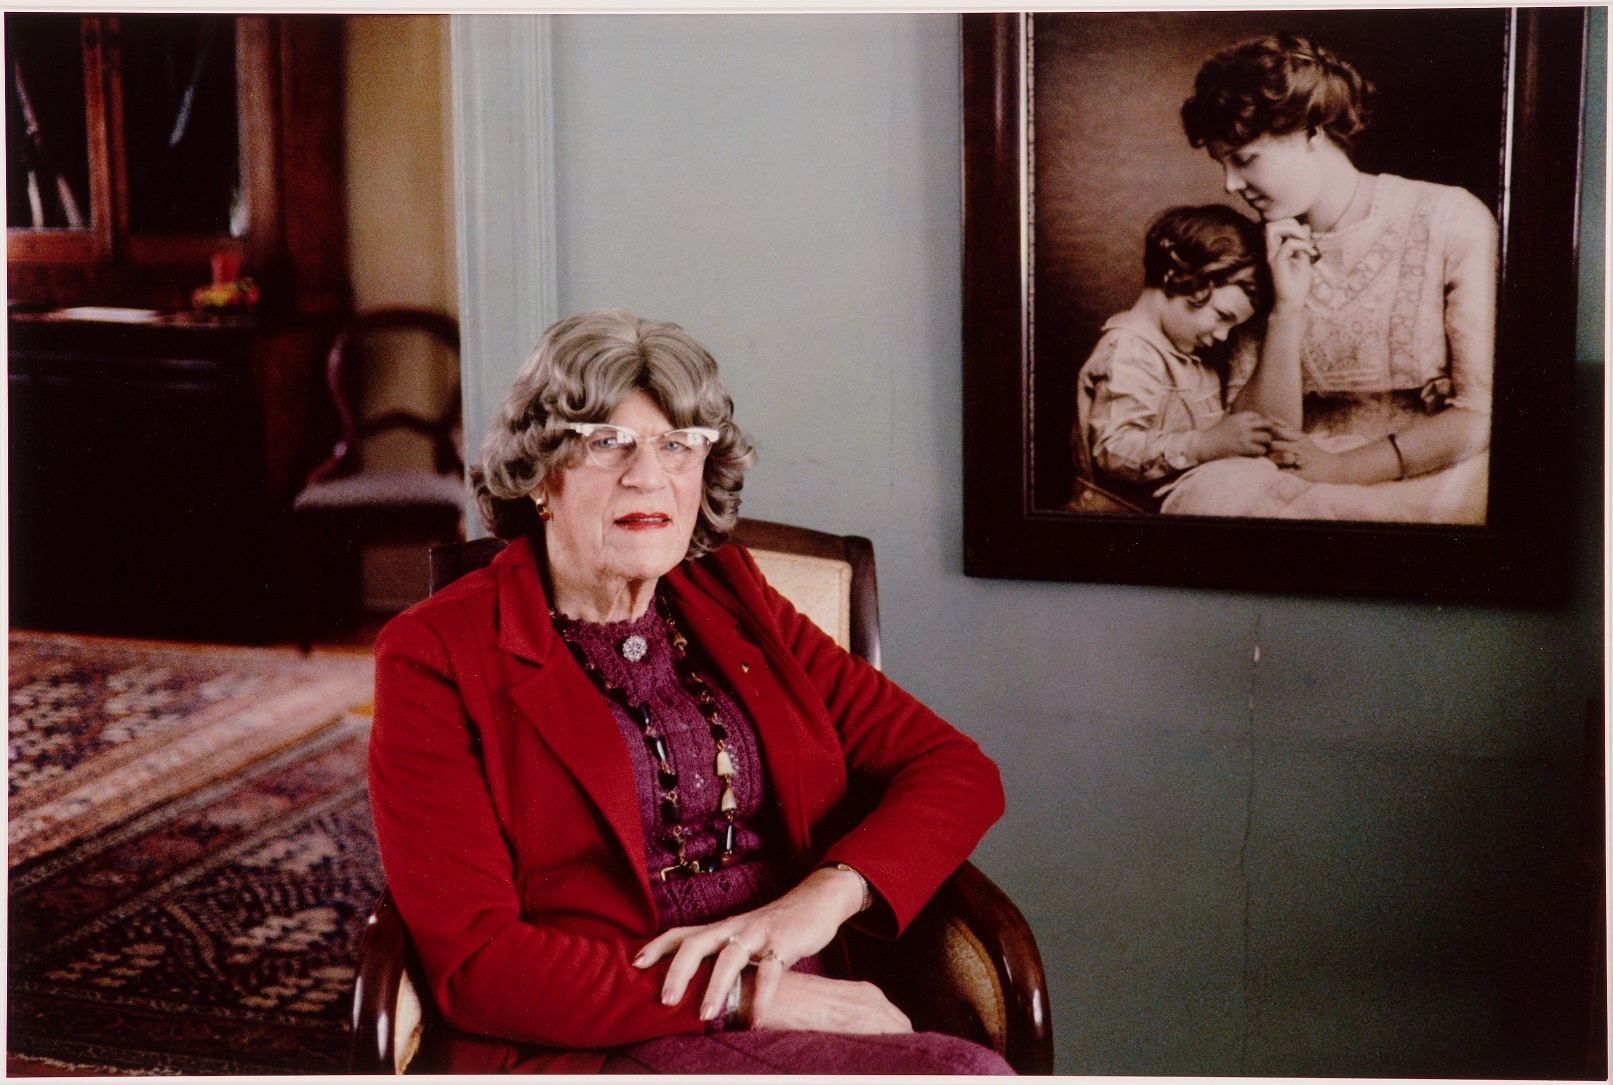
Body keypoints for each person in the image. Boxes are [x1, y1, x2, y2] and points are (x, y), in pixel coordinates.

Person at [368, 308, 1012, 1075]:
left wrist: (823, 897)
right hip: (605, 1028)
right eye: (607, 442)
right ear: (539, 474)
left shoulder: (730, 594)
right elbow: (477, 963)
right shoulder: (435, 653)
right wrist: (746, 996)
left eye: (677, 444)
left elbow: (954, 767)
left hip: (808, 991)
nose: (648, 475)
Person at [1164, 33, 1497, 523]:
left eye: (1244, 158)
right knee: (1216, 501)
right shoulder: (1257, 251)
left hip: (1429, 466)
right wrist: (1287, 310)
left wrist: (1341, 469)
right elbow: (1255, 432)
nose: (1230, 185)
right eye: (1222, 164)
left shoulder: (1449, 217)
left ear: (1312, 132)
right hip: (1295, 470)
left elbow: (1480, 413)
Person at [1070, 204, 1275, 513]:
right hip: (1120, 519)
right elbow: (1114, 452)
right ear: (1176, 277)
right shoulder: (1130, 351)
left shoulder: (1190, 352)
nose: (1222, 336)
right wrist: (1204, 444)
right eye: (1222, 316)